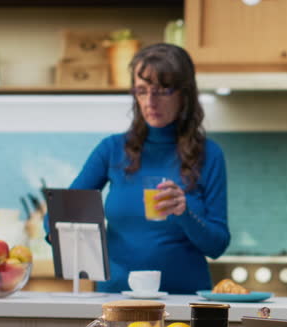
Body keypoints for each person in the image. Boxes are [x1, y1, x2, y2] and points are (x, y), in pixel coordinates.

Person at [58, 43, 229, 294]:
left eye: (162, 91)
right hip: (116, 300)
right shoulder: (112, 149)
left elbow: (217, 246)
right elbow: (63, 212)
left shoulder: (210, 155)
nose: (150, 101)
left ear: (184, 94)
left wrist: (184, 213)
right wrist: (67, 238)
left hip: (184, 302)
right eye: (142, 90)